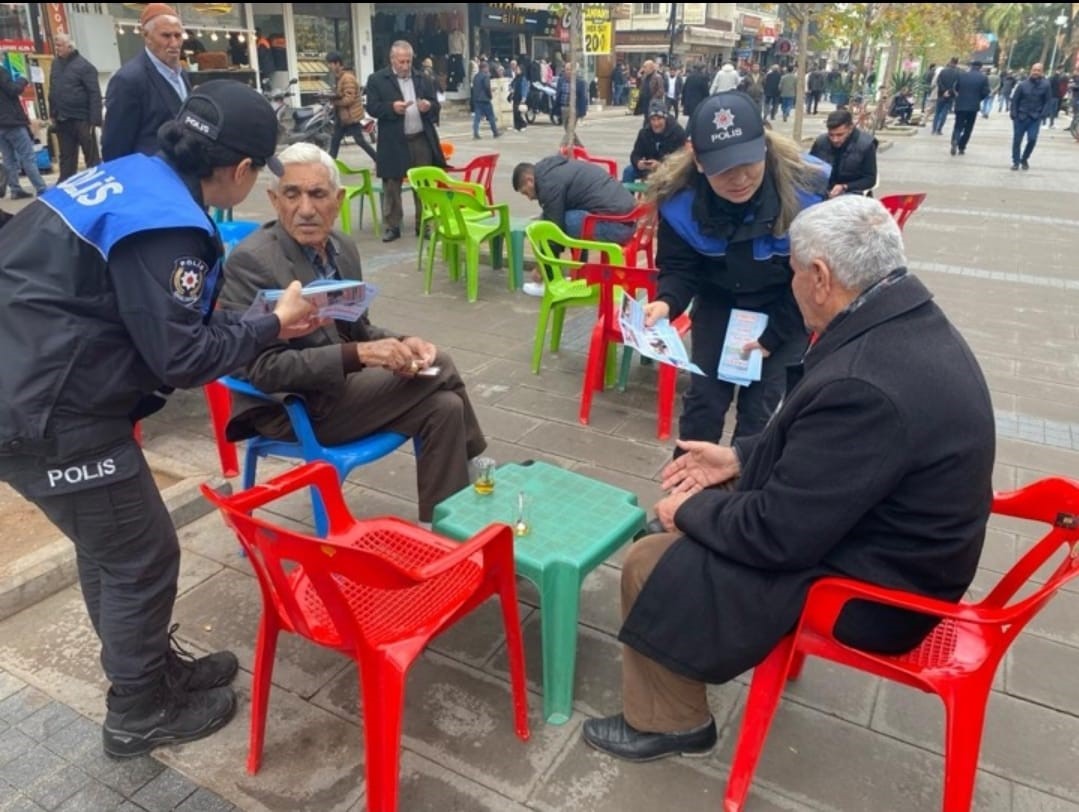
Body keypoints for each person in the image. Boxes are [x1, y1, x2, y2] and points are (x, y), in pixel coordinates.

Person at [581, 194, 995, 763]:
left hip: (882, 591)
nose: (791, 283)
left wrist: (689, 514)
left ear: (820, 277)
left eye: (793, 271)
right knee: (697, 506)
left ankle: (671, 721)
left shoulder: (867, 384)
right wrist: (741, 458)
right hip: (892, 537)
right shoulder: (901, 316)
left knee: (650, 560)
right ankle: (685, 630)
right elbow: (829, 453)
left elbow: (778, 533)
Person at [0, 80, 322, 760]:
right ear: (237, 170)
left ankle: (144, 672)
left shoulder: (132, 174)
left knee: (112, 548)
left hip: (38, 382)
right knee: (142, 556)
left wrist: (257, 323)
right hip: (47, 408)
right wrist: (272, 323)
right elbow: (180, 356)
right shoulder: (168, 223)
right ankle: (138, 709)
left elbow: (159, 321)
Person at [217, 143, 487, 523]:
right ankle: (478, 467)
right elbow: (263, 370)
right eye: (292, 194)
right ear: (274, 200)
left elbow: (358, 327)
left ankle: (445, 528)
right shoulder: (253, 262)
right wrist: (360, 355)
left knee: (445, 407)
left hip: (340, 387)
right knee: (439, 364)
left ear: (338, 199)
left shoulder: (341, 248)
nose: (306, 209)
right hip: (290, 405)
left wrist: (401, 341)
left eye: (318, 194)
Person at [641, 91, 827, 449]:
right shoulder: (680, 200)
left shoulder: (807, 193)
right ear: (698, 160)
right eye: (723, 168)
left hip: (788, 305)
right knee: (704, 403)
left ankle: (747, 495)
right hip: (720, 301)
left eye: (748, 162)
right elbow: (680, 267)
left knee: (761, 413)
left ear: (764, 147)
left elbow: (816, 281)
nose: (739, 178)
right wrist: (666, 302)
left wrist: (773, 336)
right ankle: (689, 493)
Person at [365, 40, 445, 243]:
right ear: (392, 60)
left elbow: (436, 104)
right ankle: (392, 226)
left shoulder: (422, 78)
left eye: (408, 61)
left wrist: (429, 105)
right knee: (392, 183)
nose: (405, 66)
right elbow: (372, 108)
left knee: (424, 184)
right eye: (401, 61)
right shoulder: (377, 79)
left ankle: (424, 224)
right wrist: (392, 107)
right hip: (393, 140)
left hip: (420, 138)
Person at [101, 3, 190, 161]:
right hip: (151, 175)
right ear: (147, 36)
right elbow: (115, 145)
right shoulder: (128, 80)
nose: (174, 43)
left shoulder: (181, 74)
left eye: (178, 35)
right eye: (166, 36)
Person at [512, 154, 637, 244]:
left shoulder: (547, 184)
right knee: (557, 217)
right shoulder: (555, 169)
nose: (529, 198)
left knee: (547, 224)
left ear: (529, 180)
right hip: (628, 221)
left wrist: (544, 269)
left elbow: (554, 228)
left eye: (525, 193)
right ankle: (579, 264)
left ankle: (549, 270)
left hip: (618, 227)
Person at [47, 33, 102, 182]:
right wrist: (52, 112)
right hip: (62, 117)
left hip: (82, 118)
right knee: (66, 156)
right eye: (56, 45)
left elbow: (94, 93)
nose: (57, 48)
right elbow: (53, 89)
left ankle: (96, 180)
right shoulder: (55, 64)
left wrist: (95, 120)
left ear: (69, 46)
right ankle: (65, 183)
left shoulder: (85, 66)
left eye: (59, 45)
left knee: (90, 154)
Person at [0, 62, 47, 198]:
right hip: (12, 122)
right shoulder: (1, 71)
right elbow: (13, 89)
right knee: (27, 156)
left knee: (9, 159)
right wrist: (23, 79)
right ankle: (41, 187)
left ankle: (15, 189)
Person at [809, 109, 878, 197]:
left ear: (850, 128)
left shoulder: (866, 145)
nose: (835, 140)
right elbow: (810, 169)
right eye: (831, 135)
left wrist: (845, 187)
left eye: (840, 135)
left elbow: (870, 179)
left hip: (853, 194)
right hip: (824, 191)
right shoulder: (821, 142)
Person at [326, 52, 376, 163]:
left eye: (331, 64)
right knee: (335, 140)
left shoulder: (347, 78)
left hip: (350, 116)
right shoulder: (339, 77)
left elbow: (349, 99)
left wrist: (335, 101)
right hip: (343, 116)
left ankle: (379, 160)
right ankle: (329, 165)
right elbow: (342, 94)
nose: (329, 66)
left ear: (338, 63)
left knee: (360, 141)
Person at [622, 99, 687, 183]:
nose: (656, 123)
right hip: (649, 168)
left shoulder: (677, 133)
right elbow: (635, 154)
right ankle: (626, 196)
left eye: (659, 119)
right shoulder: (644, 133)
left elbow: (682, 160)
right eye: (653, 119)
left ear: (665, 118)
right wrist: (638, 163)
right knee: (628, 172)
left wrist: (661, 165)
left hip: (670, 169)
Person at [1010, 62, 1052, 171]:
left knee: (1032, 139)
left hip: (1035, 117)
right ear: (1031, 71)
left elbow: (1048, 101)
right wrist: (1013, 114)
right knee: (1017, 141)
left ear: (1042, 72)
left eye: (1038, 70)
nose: (1036, 72)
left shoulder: (1046, 85)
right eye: (1034, 70)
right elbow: (1015, 100)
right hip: (1021, 117)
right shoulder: (1022, 85)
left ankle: (1024, 158)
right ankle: (1016, 161)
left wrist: (1043, 114)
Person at [950, 60, 990, 156]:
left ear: (971, 66)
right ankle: (962, 147)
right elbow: (986, 92)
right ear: (980, 67)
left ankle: (955, 139)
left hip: (960, 105)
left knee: (958, 125)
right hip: (973, 107)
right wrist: (978, 99)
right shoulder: (983, 78)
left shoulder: (962, 75)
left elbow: (956, 88)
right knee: (968, 127)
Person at [470, 60, 501, 140]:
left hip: (477, 99)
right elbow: (487, 87)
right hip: (485, 99)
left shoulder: (476, 76)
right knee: (491, 116)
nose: (488, 70)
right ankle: (495, 132)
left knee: (477, 118)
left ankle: (475, 133)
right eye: (487, 68)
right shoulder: (485, 76)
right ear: (484, 68)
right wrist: (490, 96)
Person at [931, 57, 959, 135]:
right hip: (951, 95)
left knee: (937, 112)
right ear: (956, 63)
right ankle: (939, 129)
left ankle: (934, 129)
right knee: (944, 112)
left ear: (950, 62)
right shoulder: (958, 73)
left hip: (941, 94)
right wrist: (949, 91)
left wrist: (944, 91)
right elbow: (956, 84)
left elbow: (938, 81)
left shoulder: (943, 71)